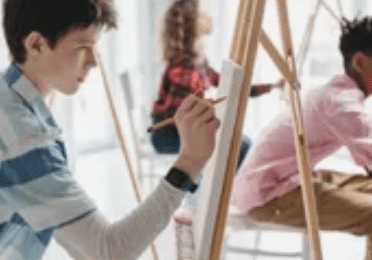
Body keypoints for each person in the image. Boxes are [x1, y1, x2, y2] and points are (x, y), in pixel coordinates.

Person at [0, 0, 220, 259]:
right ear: (36, 44)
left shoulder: (12, 102)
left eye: (95, 47)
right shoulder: (23, 135)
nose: (94, 61)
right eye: (84, 47)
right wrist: (189, 163)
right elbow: (108, 252)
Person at [232, 16, 372, 260]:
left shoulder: (337, 92)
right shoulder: (342, 103)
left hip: (286, 178)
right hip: (268, 194)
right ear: (360, 61)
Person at [150, 0, 273, 224]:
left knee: (240, 143)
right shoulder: (184, 65)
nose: (211, 18)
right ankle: (206, 199)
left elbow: (227, 83)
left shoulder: (199, 60)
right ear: (190, 25)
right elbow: (183, 113)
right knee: (239, 145)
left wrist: (270, 87)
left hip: (183, 126)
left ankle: (218, 196)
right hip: (168, 132)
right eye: (203, 15)